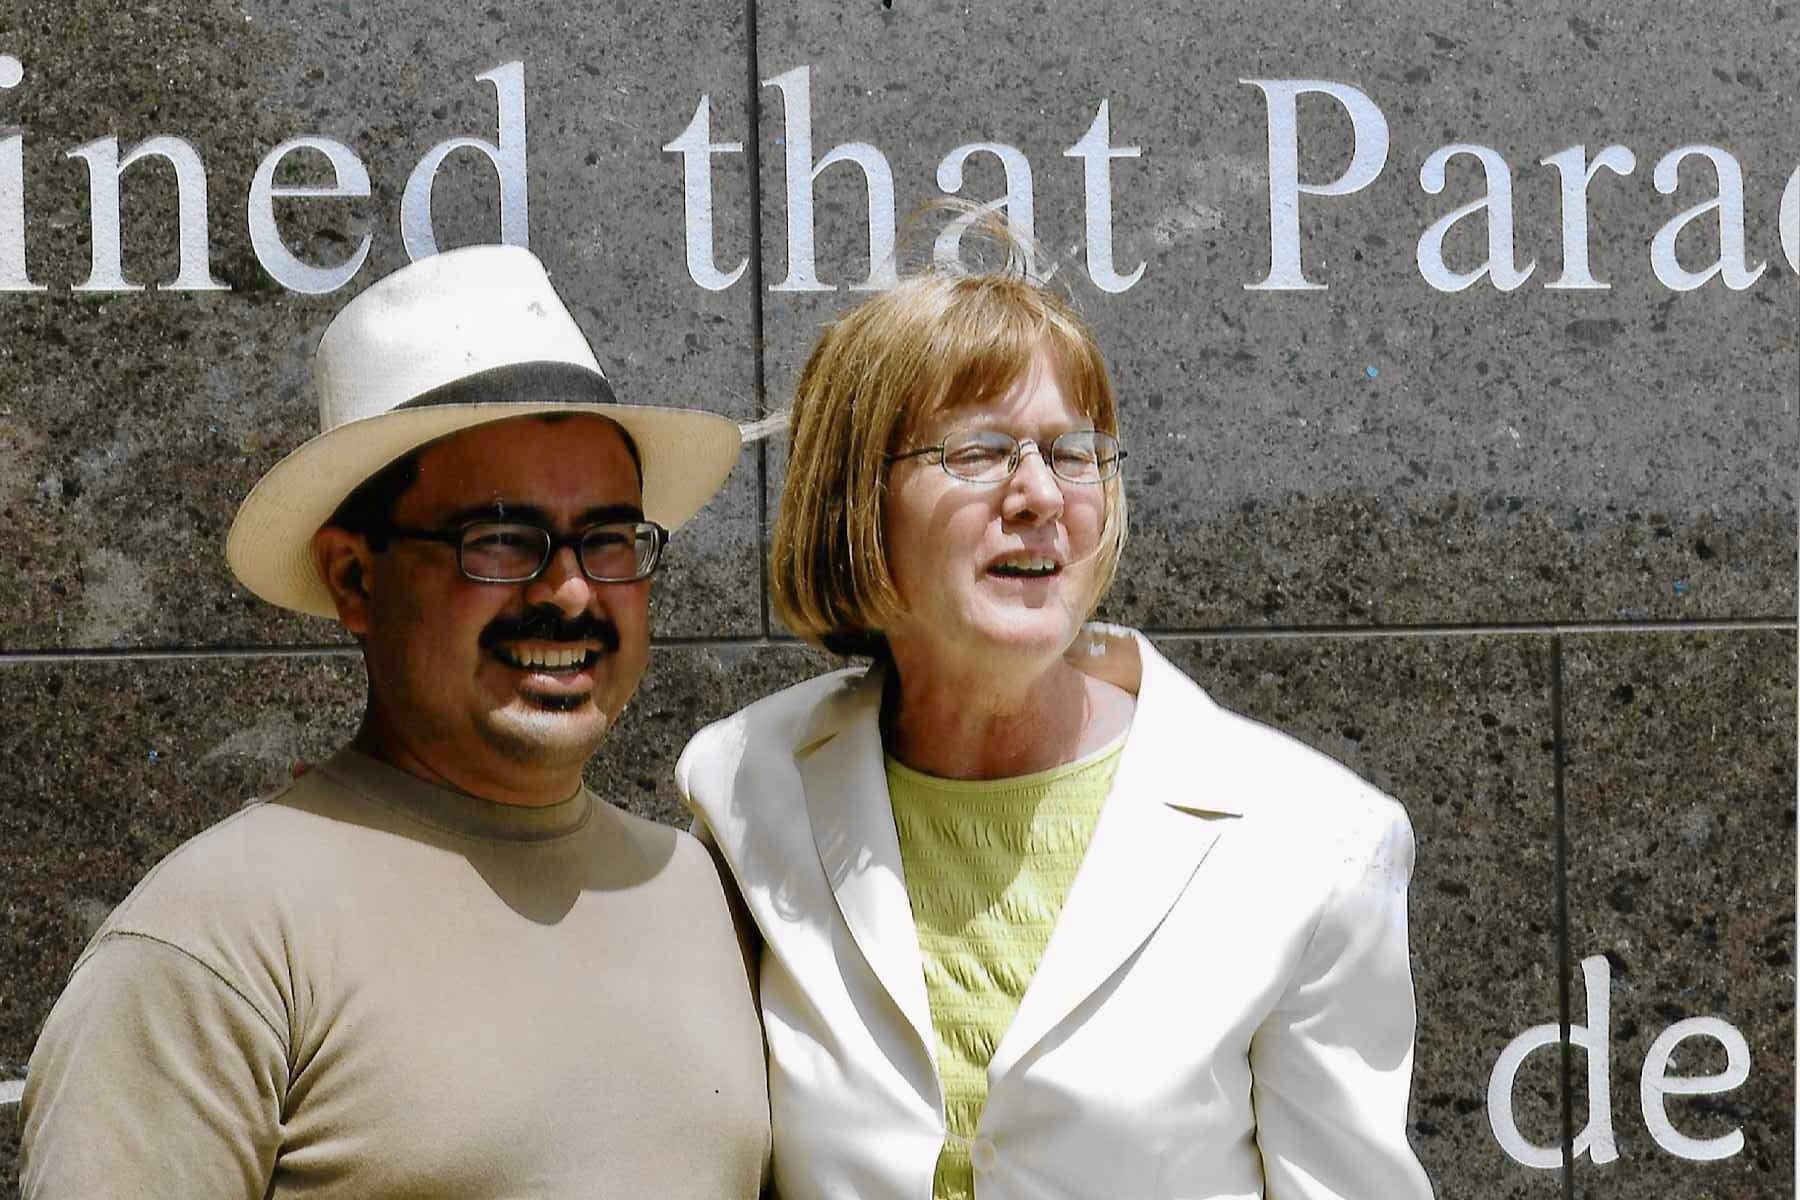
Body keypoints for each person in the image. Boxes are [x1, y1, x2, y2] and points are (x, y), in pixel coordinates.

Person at [22, 246, 769, 1198]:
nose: (573, 591)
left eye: (610, 538)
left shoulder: (703, 896)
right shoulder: (215, 945)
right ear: (354, 577)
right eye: (501, 539)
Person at [679, 257, 1435, 1199]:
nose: (1040, 496)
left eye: (1074, 453)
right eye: (978, 451)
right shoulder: (750, 790)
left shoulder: (1313, 842)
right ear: (857, 502)